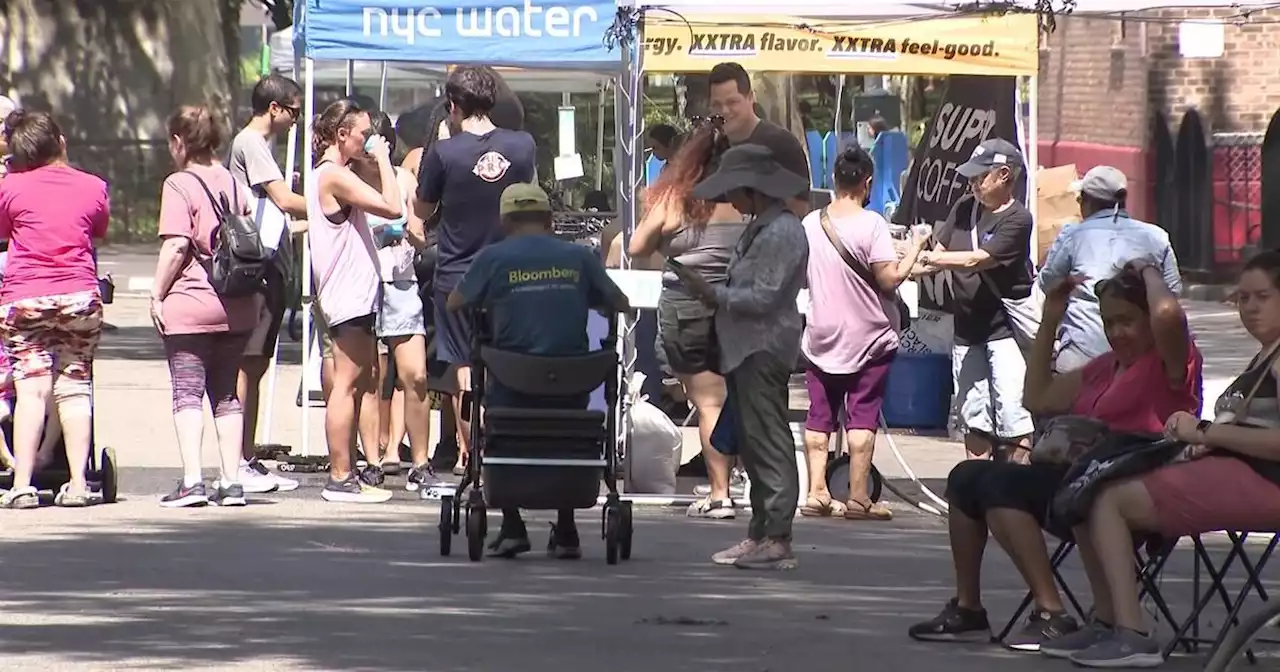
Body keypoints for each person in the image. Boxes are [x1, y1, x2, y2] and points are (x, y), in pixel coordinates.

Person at [907, 262, 1199, 654]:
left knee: (999, 486)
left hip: (1131, 483)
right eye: (1109, 323)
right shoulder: (1104, 367)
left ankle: (1051, 612)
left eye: (1128, 321)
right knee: (965, 478)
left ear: (1149, 319)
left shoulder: (1170, 365)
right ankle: (968, 607)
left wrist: (1148, 270)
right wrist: (1050, 320)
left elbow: (1168, 314)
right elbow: (1036, 398)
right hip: (1082, 478)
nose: (1117, 333)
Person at [1053, 251, 1280, 667]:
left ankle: (1133, 632)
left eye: (1261, 297)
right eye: (1242, 297)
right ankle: (1111, 621)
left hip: (1268, 482)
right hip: (1234, 469)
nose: (1249, 307)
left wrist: (1207, 432)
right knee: (1090, 489)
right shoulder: (1266, 354)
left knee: (1109, 498)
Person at [448, 183, 630, 558]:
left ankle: (512, 525)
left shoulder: (493, 258)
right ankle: (566, 528)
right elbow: (619, 302)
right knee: (566, 437)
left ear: (505, 221)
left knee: (502, 430)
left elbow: (456, 302)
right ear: (549, 220)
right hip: (571, 382)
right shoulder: (579, 258)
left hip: (511, 382)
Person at [668, 144, 809, 570]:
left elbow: (765, 296)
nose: (730, 199)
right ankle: (762, 531)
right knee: (754, 440)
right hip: (746, 347)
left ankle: (776, 533)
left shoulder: (783, 231)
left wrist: (713, 293)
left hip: (762, 346)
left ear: (752, 189)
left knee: (767, 441)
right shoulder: (763, 227)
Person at [415, 66, 536, 478]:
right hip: (512, 277)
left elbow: (422, 210)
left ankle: (476, 462)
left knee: (465, 373)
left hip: (458, 277)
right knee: (508, 369)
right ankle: (508, 456)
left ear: (453, 105)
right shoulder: (522, 147)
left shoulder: (444, 153)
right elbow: (531, 196)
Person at [799, 146, 928, 522]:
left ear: (835, 180)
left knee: (819, 416)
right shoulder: (872, 224)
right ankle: (858, 498)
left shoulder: (810, 223)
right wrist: (915, 249)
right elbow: (888, 277)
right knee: (862, 416)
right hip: (869, 338)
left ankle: (816, 492)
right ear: (867, 182)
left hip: (821, 335)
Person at [629, 117, 744, 519]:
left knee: (709, 402)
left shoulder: (676, 200)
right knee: (734, 398)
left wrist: (673, 249)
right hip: (739, 308)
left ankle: (719, 494)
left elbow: (636, 245)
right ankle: (739, 484)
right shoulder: (746, 202)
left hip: (687, 307)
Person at [148, 106, 261, 508]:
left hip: (192, 304)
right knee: (227, 393)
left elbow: (177, 244)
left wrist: (157, 294)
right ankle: (231, 482)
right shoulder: (231, 181)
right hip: (237, 306)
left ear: (179, 142)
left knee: (188, 392)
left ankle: (193, 481)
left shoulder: (179, 184)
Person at [0, 109, 109, 509]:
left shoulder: (10, 188)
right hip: (79, 294)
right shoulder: (93, 186)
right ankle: (79, 482)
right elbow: (98, 229)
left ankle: (22, 484)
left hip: (25, 295)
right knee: (75, 384)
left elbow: (3, 230)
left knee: (31, 389)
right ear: (61, 142)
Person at [307, 97, 402, 503]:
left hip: (348, 295)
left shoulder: (330, 174)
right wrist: (381, 157)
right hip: (346, 297)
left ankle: (345, 473)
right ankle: (340, 475)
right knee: (346, 386)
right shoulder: (333, 175)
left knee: (357, 383)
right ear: (342, 135)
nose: (369, 141)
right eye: (363, 134)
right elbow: (394, 207)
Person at [916, 138, 1036, 461]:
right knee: (974, 420)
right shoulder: (964, 208)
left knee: (1013, 419)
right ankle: (978, 496)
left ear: (1004, 176)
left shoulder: (1019, 219)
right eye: (970, 177)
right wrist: (901, 264)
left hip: (1005, 332)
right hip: (967, 333)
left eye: (980, 177)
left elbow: (976, 260)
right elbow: (935, 254)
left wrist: (930, 261)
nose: (973, 184)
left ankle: (1016, 498)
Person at [352, 111, 443, 494]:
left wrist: (406, 231)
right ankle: (372, 460)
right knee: (370, 378)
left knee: (415, 375)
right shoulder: (349, 181)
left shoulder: (403, 179)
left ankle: (419, 462)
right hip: (364, 284)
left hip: (403, 284)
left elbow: (420, 235)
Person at [228, 74, 307, 495]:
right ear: (274, 108)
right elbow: (284, 200)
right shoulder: (252, 144)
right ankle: (236, 459)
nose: (296, 119)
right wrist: (340, 202)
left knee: (255, 365)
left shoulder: (261, 146)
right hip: (255, 268)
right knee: (248, 363)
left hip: (268, 262)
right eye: (293, 110)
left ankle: (246, 455)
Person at [1038, 166, 1182, 373]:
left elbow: (1049, 284)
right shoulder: (1156, 236)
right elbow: (1172, 292)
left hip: (1082, 356)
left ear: (1087, 202)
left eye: (1080, 200)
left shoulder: (1073, 236)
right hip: (1140, 357)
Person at [708, 62, 811, 215]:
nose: (724, 111)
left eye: (732, 102)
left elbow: (799, 210)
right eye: (716, 104)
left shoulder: (782, 144)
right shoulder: (710, 148)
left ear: (750, 97)